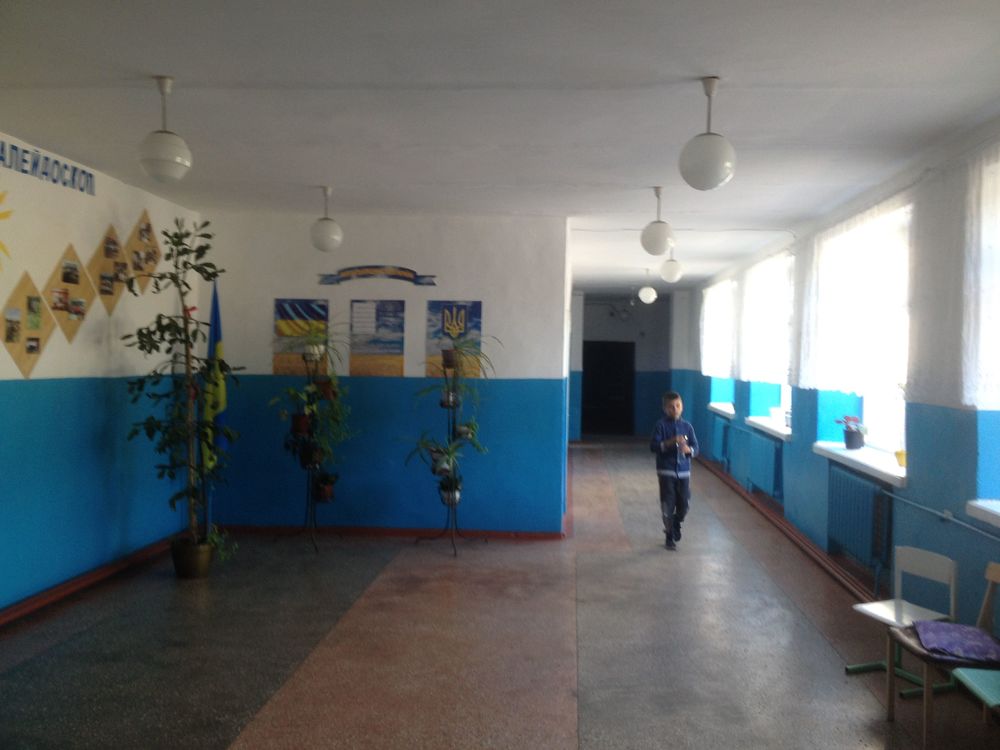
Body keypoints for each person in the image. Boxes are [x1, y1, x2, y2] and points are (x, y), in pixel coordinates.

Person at [650, 391, 698, 550]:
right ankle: (669, 534)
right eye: (671, 407)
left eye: (678, 405)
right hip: (666, 471)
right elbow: (654, 446)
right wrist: (670, 442)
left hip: (684, 472)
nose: (675, 409)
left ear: (682, 406)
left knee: (684, 503)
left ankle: (677, 521)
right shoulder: (661, 426)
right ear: (665, 409)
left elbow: (696, 447)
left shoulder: (687, 427)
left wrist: (689, 450)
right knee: (668, 504)